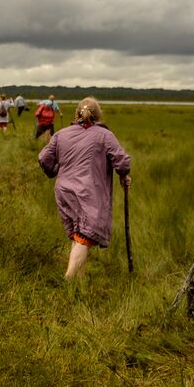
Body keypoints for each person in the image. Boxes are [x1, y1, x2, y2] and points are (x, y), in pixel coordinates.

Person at [38, 98, 132, 281]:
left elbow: (43, 158)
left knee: (79, 233)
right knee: (85, 234)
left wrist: (56, 171)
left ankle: (77, 282)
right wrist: (123, 174)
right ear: (98, 115)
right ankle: (69, 278)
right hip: (88, 192)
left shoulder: (61, 134)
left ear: (77, 113)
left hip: (63, 190)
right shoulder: (105, 135)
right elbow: (122, 160)